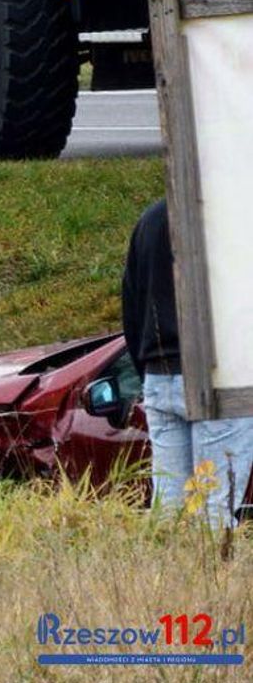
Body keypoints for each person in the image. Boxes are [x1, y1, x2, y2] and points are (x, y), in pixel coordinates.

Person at [122, 200, 253, 527]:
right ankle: (215, 578)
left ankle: (170, 574)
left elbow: (131, 304)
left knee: (170, 506)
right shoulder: (229, 217)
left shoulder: (150, 220)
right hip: (219, 375)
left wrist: (146, 370)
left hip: (159, 372)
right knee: (215, 507)